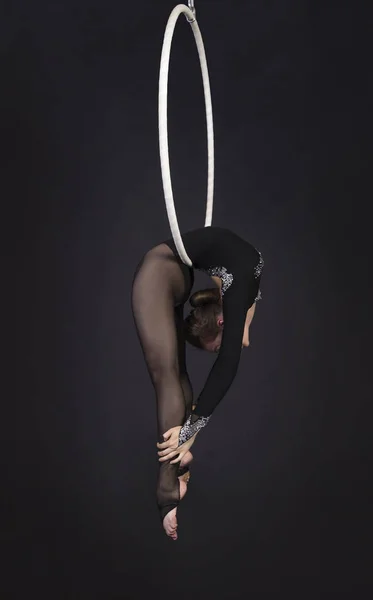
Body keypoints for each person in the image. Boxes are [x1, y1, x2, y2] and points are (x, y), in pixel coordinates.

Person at [131, 226, 263, 540]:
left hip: (164, 272)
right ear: (221, 321)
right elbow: (231, 358)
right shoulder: (243, 286)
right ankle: (173, 478)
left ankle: (171, 482)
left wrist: (191, 429)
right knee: (172, 377)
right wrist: (190, 430)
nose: (223, 346)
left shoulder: (241, 290)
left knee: (171, 377)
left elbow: (238, 342)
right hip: (168, 273)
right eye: (216, 344)